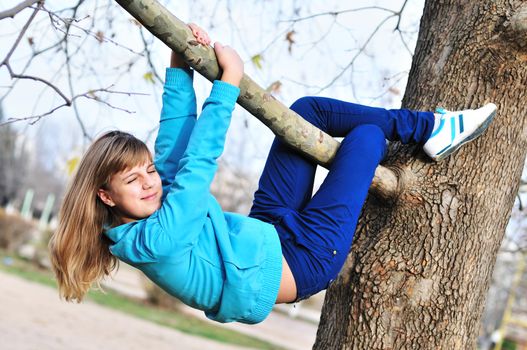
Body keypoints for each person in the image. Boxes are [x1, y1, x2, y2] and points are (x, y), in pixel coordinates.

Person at [49, 24, 497, 324]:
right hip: (302, 262)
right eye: (132, 180)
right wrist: (228, 84)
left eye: (145, 171)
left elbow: (172, 148)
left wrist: (179, 62)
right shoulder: (154, 241)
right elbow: (196, 166)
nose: (149, 182)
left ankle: (432, 128)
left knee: (305, 113)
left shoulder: (147, 207)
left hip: (264, 231)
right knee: (365, 139)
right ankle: (432, 128)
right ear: (106, 196)